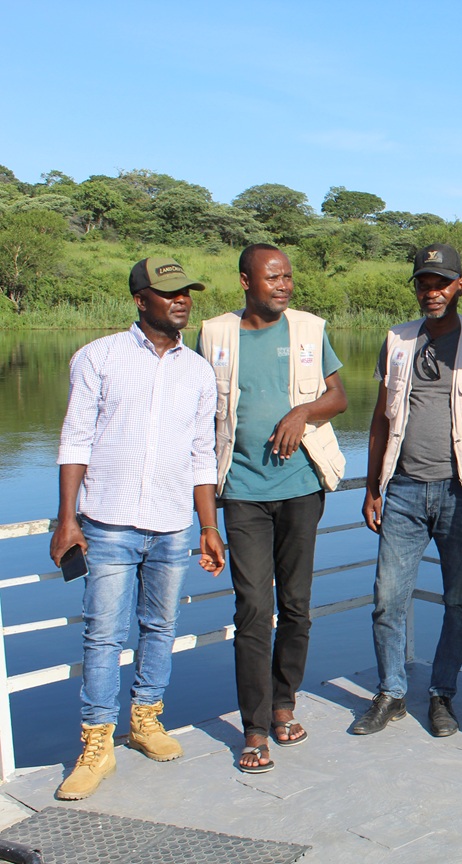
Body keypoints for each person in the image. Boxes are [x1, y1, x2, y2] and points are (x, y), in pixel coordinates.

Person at [50, 257, 226, 800]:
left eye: (187, 293)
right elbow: (76, 440)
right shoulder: (98, 358)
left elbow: (202, 454)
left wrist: (208, 526)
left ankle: (146, 720)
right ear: (140, 299)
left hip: (174, 526)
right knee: (102, 635)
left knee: (160, 627)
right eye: (169, 292)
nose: (182, 301)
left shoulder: (198, 370)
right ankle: (96, 745)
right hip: (107, 523)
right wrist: (66, 518)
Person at [349, 244, 462, 738]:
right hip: (401, 492)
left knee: (459, 601)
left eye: (442, 282)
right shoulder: (397, 340)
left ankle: (442, 694)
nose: (432, 292)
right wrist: (374, 485)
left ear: (460, 285)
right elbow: (380, 418)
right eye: (424, 283)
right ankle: (392, 692)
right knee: (387, 599)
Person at [198, 244, 348, 775]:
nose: (283, 285)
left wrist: (301, 412)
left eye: (287, 276)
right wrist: (205, 520)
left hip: (302, 486)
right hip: (240, 492)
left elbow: (339, 398)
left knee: (298, 605)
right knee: (253, 610)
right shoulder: (215, 335)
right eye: (272, 277)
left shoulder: (308, 329)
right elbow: (199, 416)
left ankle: (286, 702)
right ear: (245, 281)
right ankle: (255, 727)